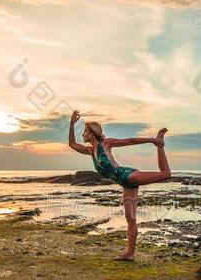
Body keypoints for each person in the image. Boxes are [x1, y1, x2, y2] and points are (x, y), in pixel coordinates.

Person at [68, 110, 171, 261]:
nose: (82, 135)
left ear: (92, 133)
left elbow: (128, 141)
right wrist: (71, 124)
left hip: (126, 175)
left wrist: (151, 140)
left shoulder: (106, 143)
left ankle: (160, 143)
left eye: (84, 132)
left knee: (165, 175)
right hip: (124, 184)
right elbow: (71, 144)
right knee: (131, 219)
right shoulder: (90, 151)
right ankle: (130, 254)